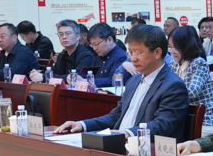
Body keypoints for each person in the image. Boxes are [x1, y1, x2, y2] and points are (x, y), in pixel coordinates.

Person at [55, 26, 188, 138]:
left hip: (145, 149)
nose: (133, 59)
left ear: (157, 52)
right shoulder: (134, 80)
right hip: (119, 142)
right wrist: (82, 124)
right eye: (130, 53)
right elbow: (116, 116)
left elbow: (163, 125)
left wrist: (127, 133)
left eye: (138, 53)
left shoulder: (173, 85)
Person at [168, 26, 213, 110]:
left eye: (176, 47)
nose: (172, 51)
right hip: (180, 111)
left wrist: (168, 95)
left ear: (186, 46)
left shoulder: (199, 63)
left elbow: (192, 92)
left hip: (202, 114)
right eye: (170, 47)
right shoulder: (173, 64)